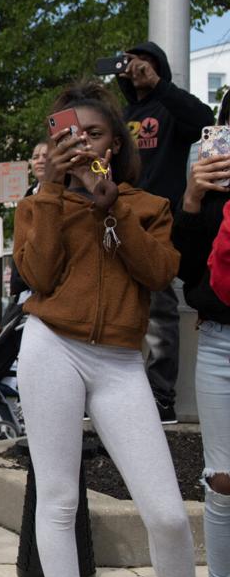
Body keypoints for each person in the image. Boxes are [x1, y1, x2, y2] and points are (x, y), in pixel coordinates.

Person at [14, 79, 225, 577]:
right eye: (67, 135)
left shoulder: (145, 203)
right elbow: (37, 274)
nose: (81, 145)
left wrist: (110, 209)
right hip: (51, 346)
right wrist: (54, 189)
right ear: (52, 146)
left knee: (164, 511)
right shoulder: (40, 200)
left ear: (119, 141)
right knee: (57, 501)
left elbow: (161, 274)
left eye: (95, 133)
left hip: (119, 363)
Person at [117, 42, 216, 424]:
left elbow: (204, 119)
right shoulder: (123, 113)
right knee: (120, 304)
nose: (135, 70)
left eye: (142, 63)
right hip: (121, 216)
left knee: (160, 309)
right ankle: (123, 394)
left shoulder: (170, 107)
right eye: (129, 64)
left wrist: (158, 84)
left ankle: (161, 396)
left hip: (159, 220)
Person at [174, 88, 230, 577]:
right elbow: (184, 266)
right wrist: (192, 196)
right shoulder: (209, 170)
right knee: (222, 482)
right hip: (219, 339)